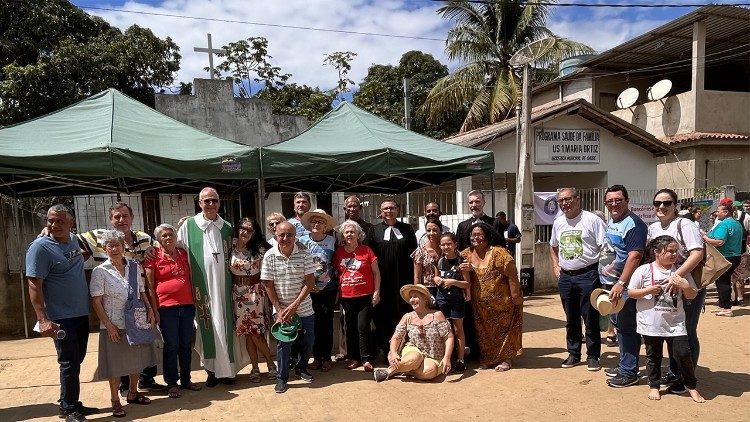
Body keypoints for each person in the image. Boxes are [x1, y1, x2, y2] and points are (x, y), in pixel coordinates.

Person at [76, 202, 162, 395]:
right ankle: (122, 389)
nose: (121, 220)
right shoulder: (99, 237)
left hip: (139, 301)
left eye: (125, 216)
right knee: (119, 351)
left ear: (132, 218)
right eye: (117, 217)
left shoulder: (145, 238)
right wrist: (48, 229)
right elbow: (72, 238)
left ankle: (143, 382)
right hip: (113, 305)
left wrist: (151, 308)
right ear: (111, 220)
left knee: (139, 347)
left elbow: (164, 244)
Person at [26, 205, 95, 422]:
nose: (54, 225)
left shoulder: (75, 240)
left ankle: (72, 400)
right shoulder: (40, 247)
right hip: (60, 317)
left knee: (77, 358)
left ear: (71, 223)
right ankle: (68, 408)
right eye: (50, 221)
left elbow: (83, 253)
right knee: (68, 361)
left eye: (60, 221)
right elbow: (34, 284)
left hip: (80, 313)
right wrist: (43, 319)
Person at [176, 187, 250, 387]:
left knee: (226, 328)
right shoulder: (189, 226)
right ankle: (211, 372)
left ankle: (228, 371)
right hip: (202, 289)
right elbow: (174, 250)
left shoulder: (226, 227)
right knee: (207, 328)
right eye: (206, 201)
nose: (210, 204)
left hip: (225, 289)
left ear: (219, 203)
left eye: (214, 201)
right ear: (199, 203)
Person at [627, 235, 705, 403]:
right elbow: (631, 292)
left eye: (676, 251)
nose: (674, 254)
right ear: (657, 252)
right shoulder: (644, 270)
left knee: (683, 354)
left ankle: (691, 387)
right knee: (653, 356)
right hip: (651, 324)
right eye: (670, 251)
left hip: (675, 323)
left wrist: (685, 286)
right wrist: (647, 291)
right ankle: (654, 386)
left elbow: (692, 294)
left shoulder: (679, 271)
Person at [90, 230, 157, 418]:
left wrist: (150, 309)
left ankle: (133, 393)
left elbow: (141, 291)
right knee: (115, 364)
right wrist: (108, 325)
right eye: (109, 246)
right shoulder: (100, 271)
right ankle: (115, 400)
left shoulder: (134, 266)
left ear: (123, 246)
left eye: (117, 245)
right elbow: (96, 302)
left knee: (136, 360)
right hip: (114, 324)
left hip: (135, 320)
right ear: (104, 249)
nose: (114, 249)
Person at [647, 189, 705, 393]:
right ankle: (675, 372)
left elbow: (697, 253)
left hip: (686, 287)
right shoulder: (653, 227)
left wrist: (676, 276)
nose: (661, 207)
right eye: (657, 203)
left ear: (675, 205)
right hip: (664, 290)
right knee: (669, 330)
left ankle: (686, 377)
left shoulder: (685, 224)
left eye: (666, 203)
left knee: (686, 332)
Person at [549, 188, 606, 371]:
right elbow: (553, 246)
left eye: (568, 199)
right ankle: (573, 353)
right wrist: (556, 266)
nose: (565, 204)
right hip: (566, 277)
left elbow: (605, 247)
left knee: (590, 317)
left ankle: (593, 356)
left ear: (577, 199)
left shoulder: (592, 220)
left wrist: (603, 273)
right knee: (571, 318)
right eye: (561, 201)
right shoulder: (558, 223)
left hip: (588, 275)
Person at [143, 224, 201, 399]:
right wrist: (154, 310)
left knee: (185, 344)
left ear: (176, 237)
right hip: (166, 308)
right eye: (164, 236)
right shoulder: (154, 256)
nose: (168, 238)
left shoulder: (183, 253)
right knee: (171, 345)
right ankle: (172, 383)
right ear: (159, 239)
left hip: (187, 306)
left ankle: (186, 379)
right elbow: (150, 286)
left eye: (171, 235)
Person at [600, 185, 648, 388]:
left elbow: (635, 255)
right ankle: (624, 365)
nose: (614, 204)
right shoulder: (614, 220)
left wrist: (621, 283)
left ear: (627, 200)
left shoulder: (634, 224)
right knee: (619, 326)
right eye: (610, 200)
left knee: (627, 327)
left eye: (618, 200)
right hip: (611, 284)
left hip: (624, 286)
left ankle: (629, 372)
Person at [260, 221, 316, 394]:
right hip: (281, 309)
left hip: (304, 307)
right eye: (281, 235)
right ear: (276, 235)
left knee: (308, 340)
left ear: (295, 236)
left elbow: (310, 282)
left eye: (289, 235)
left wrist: (294, 306)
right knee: (283, 344)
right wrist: (280, 309)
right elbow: (267, 284)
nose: (285, 238)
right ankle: (281, 377)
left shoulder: (304, 255)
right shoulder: (269, 256)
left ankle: (301, 367)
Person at [461, 222, 523, 371]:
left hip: (504, 303)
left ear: (487, 236)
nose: (476, 238)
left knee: (504, 331)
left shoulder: (499, 253)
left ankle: (505, 359)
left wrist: (515, 296)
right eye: (473, 235)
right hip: (479, 305)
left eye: (479, 234)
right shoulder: (465, 254)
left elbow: (512, 275)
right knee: (484, 332)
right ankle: (489, 359)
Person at [365, 199, 418, 359]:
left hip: (403, 279)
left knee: (402, 312)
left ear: (398, 210)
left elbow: (415, 255)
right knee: (382, 315)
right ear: (381, 212)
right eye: (385, 209)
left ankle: (403, 347)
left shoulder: (407, 229)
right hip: (382, 281)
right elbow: (368, 255)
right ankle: (385, 348)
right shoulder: (374, 230)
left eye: (392, 208)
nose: (389, 211)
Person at [373, 284, 454, 382]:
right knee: (415, 357)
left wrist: (447, 358)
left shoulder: (437, 315)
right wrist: (394, 353)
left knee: (429, 372)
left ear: (425, 299)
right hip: (413, 350)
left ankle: (406, 369)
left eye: (415, 296)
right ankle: (389, 371)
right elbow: (396, 337)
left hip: (434, 356)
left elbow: (449, 337)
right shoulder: (408, 317)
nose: (411, 300)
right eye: (410, 297)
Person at [230, 217, 277, 382]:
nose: (245, 232)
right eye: (242, 228)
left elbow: (272, 267)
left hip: (255, 294)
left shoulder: (261, 249)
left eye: (249, 230)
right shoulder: (230, 246)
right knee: (248, 334)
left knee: (255, 332)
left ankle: (271, 364)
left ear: (254, 232)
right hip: (238, 295)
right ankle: (255, 368)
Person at [333, 220, 381, 371]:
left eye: (352, 232)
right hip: (347, 296)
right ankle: (353, 357)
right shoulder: (339, 252)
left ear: (358, 234)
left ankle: (366, 358)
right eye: (346, 232)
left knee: (363, 326)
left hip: (365, 295)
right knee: (351, 328)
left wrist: (377, 291)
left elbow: (376, 273)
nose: (349, 234)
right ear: (342, 235)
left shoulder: (366, 250)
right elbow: (335, 272)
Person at [299, 209, 338, 372]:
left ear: (325, 227)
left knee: (326, 324)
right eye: (314, 221)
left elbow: (336, 263)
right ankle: (315, 357)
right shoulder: (301, 241)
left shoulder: (332, 240)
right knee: (312, 324)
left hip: (328, 289)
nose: (316, 224)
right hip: (308, 289)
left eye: (320, 222)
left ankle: (327, 358)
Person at [433, 232, 469, 372]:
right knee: (444, 330)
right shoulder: (439, 261)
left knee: (458, 330)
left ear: (455, 245)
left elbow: (466, 284)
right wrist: (436, 280)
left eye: (449, 244)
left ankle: (460, 359)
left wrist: (454, 282)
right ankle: (447, 358)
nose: (446, 247)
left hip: (456, 300)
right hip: (442, 300)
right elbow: (435, 277)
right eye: (443, 244)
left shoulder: (461, 262)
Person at [704, 204, 744, 317]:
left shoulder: (724, 224)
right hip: (735, 256)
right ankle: (723, 305)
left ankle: (726, 308)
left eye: (718, 211)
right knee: (722, 280)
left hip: (726, 257)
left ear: (726, 212)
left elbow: (719, 242)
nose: (717, 213)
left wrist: (705, 238)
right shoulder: (736, 223)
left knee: (723, 282)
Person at [411, 221, 442, 297]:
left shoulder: (447, 249)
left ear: (441, 231)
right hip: (427, 290)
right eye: (428, 230)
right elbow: (417, 276)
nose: (431, 233)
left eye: (435, 230)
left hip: (446, 288)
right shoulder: (420, 251)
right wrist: (418, 295)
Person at [731, 200, 750, 305]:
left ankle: (734, 298)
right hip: (742, 250)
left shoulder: (723, 220)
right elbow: (748, 231)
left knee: (732, 276)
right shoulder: (746, 216)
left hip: (729, 252)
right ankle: (740, 298)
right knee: (740, 275)